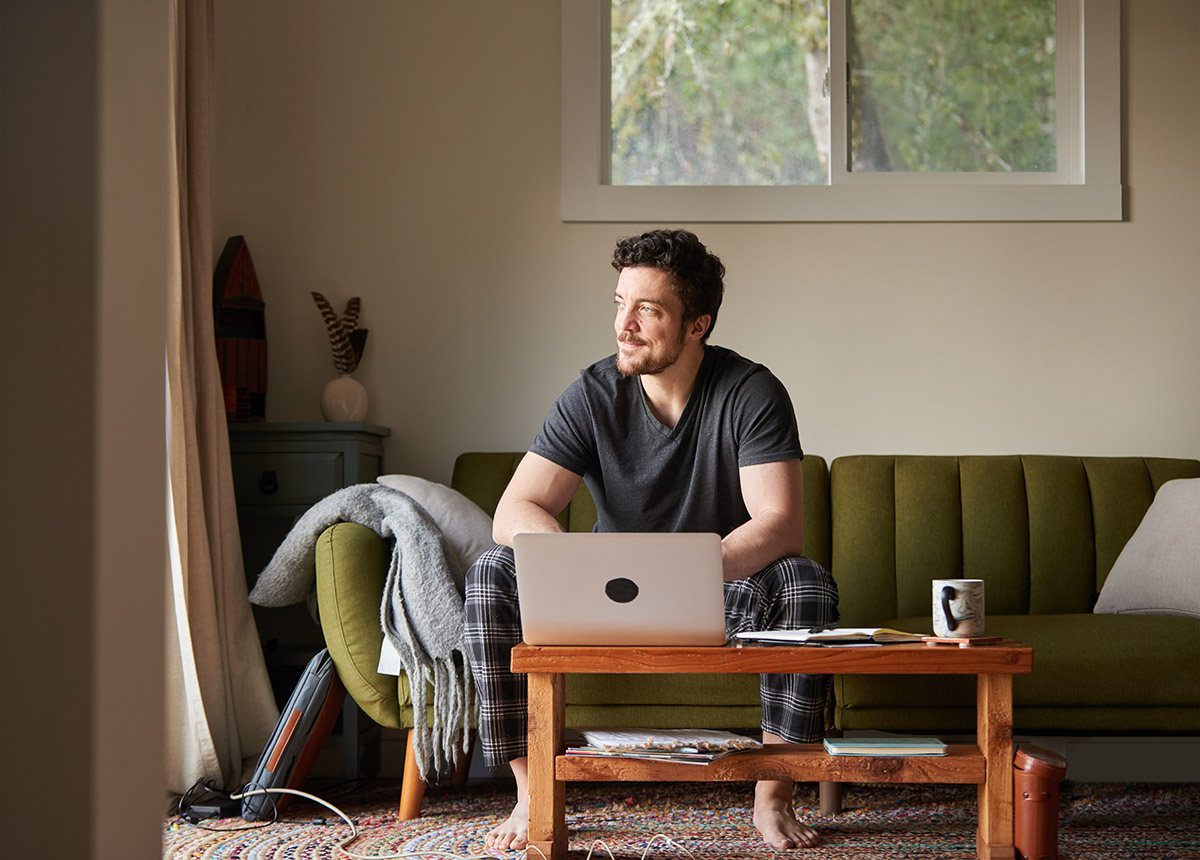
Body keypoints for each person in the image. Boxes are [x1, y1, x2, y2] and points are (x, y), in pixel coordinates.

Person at [463, 228, 839, 851]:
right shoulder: (590, 393)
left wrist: (689, 571)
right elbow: (515, 509)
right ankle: (533, 794)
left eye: (648, 310)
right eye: (619, 303)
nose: (624, 325)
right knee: (491, 573)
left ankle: (772, 796)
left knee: (804, 582)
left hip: (720, 593)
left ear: (697, 324)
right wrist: (566, 561)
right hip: (603, 597)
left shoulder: (751, 392)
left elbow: (781, 524)